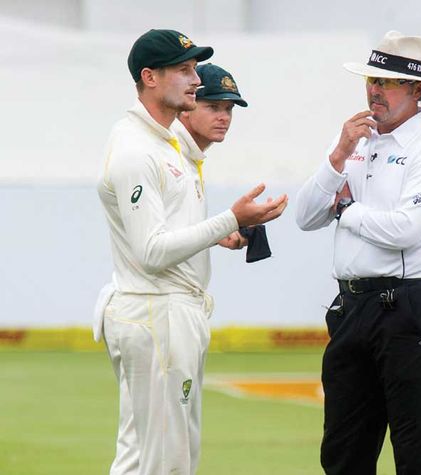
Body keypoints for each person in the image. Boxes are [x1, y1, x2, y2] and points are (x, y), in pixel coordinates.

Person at [95, 29, 287, 475]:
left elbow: (166, 230)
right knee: (170, 463)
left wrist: (220, 232)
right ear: (150, 77)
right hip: (157, 314)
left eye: (195, 69)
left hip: (164, 311)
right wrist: (230, 220)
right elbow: (150, 252)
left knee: (141, 458)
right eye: (184, 70)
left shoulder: (166, 143)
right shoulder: (137, 149)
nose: (196, 80)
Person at [296, 30, 421, 474]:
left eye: (387, 82)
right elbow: (306, 216)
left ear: (418, 90)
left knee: (414, 451)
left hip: (409, 305)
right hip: (352, 306)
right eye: (372, 79)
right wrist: (338, 156)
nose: (374, 90)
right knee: (344, 450)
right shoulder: (353, 139)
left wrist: (345, 209)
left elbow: (405, 229)